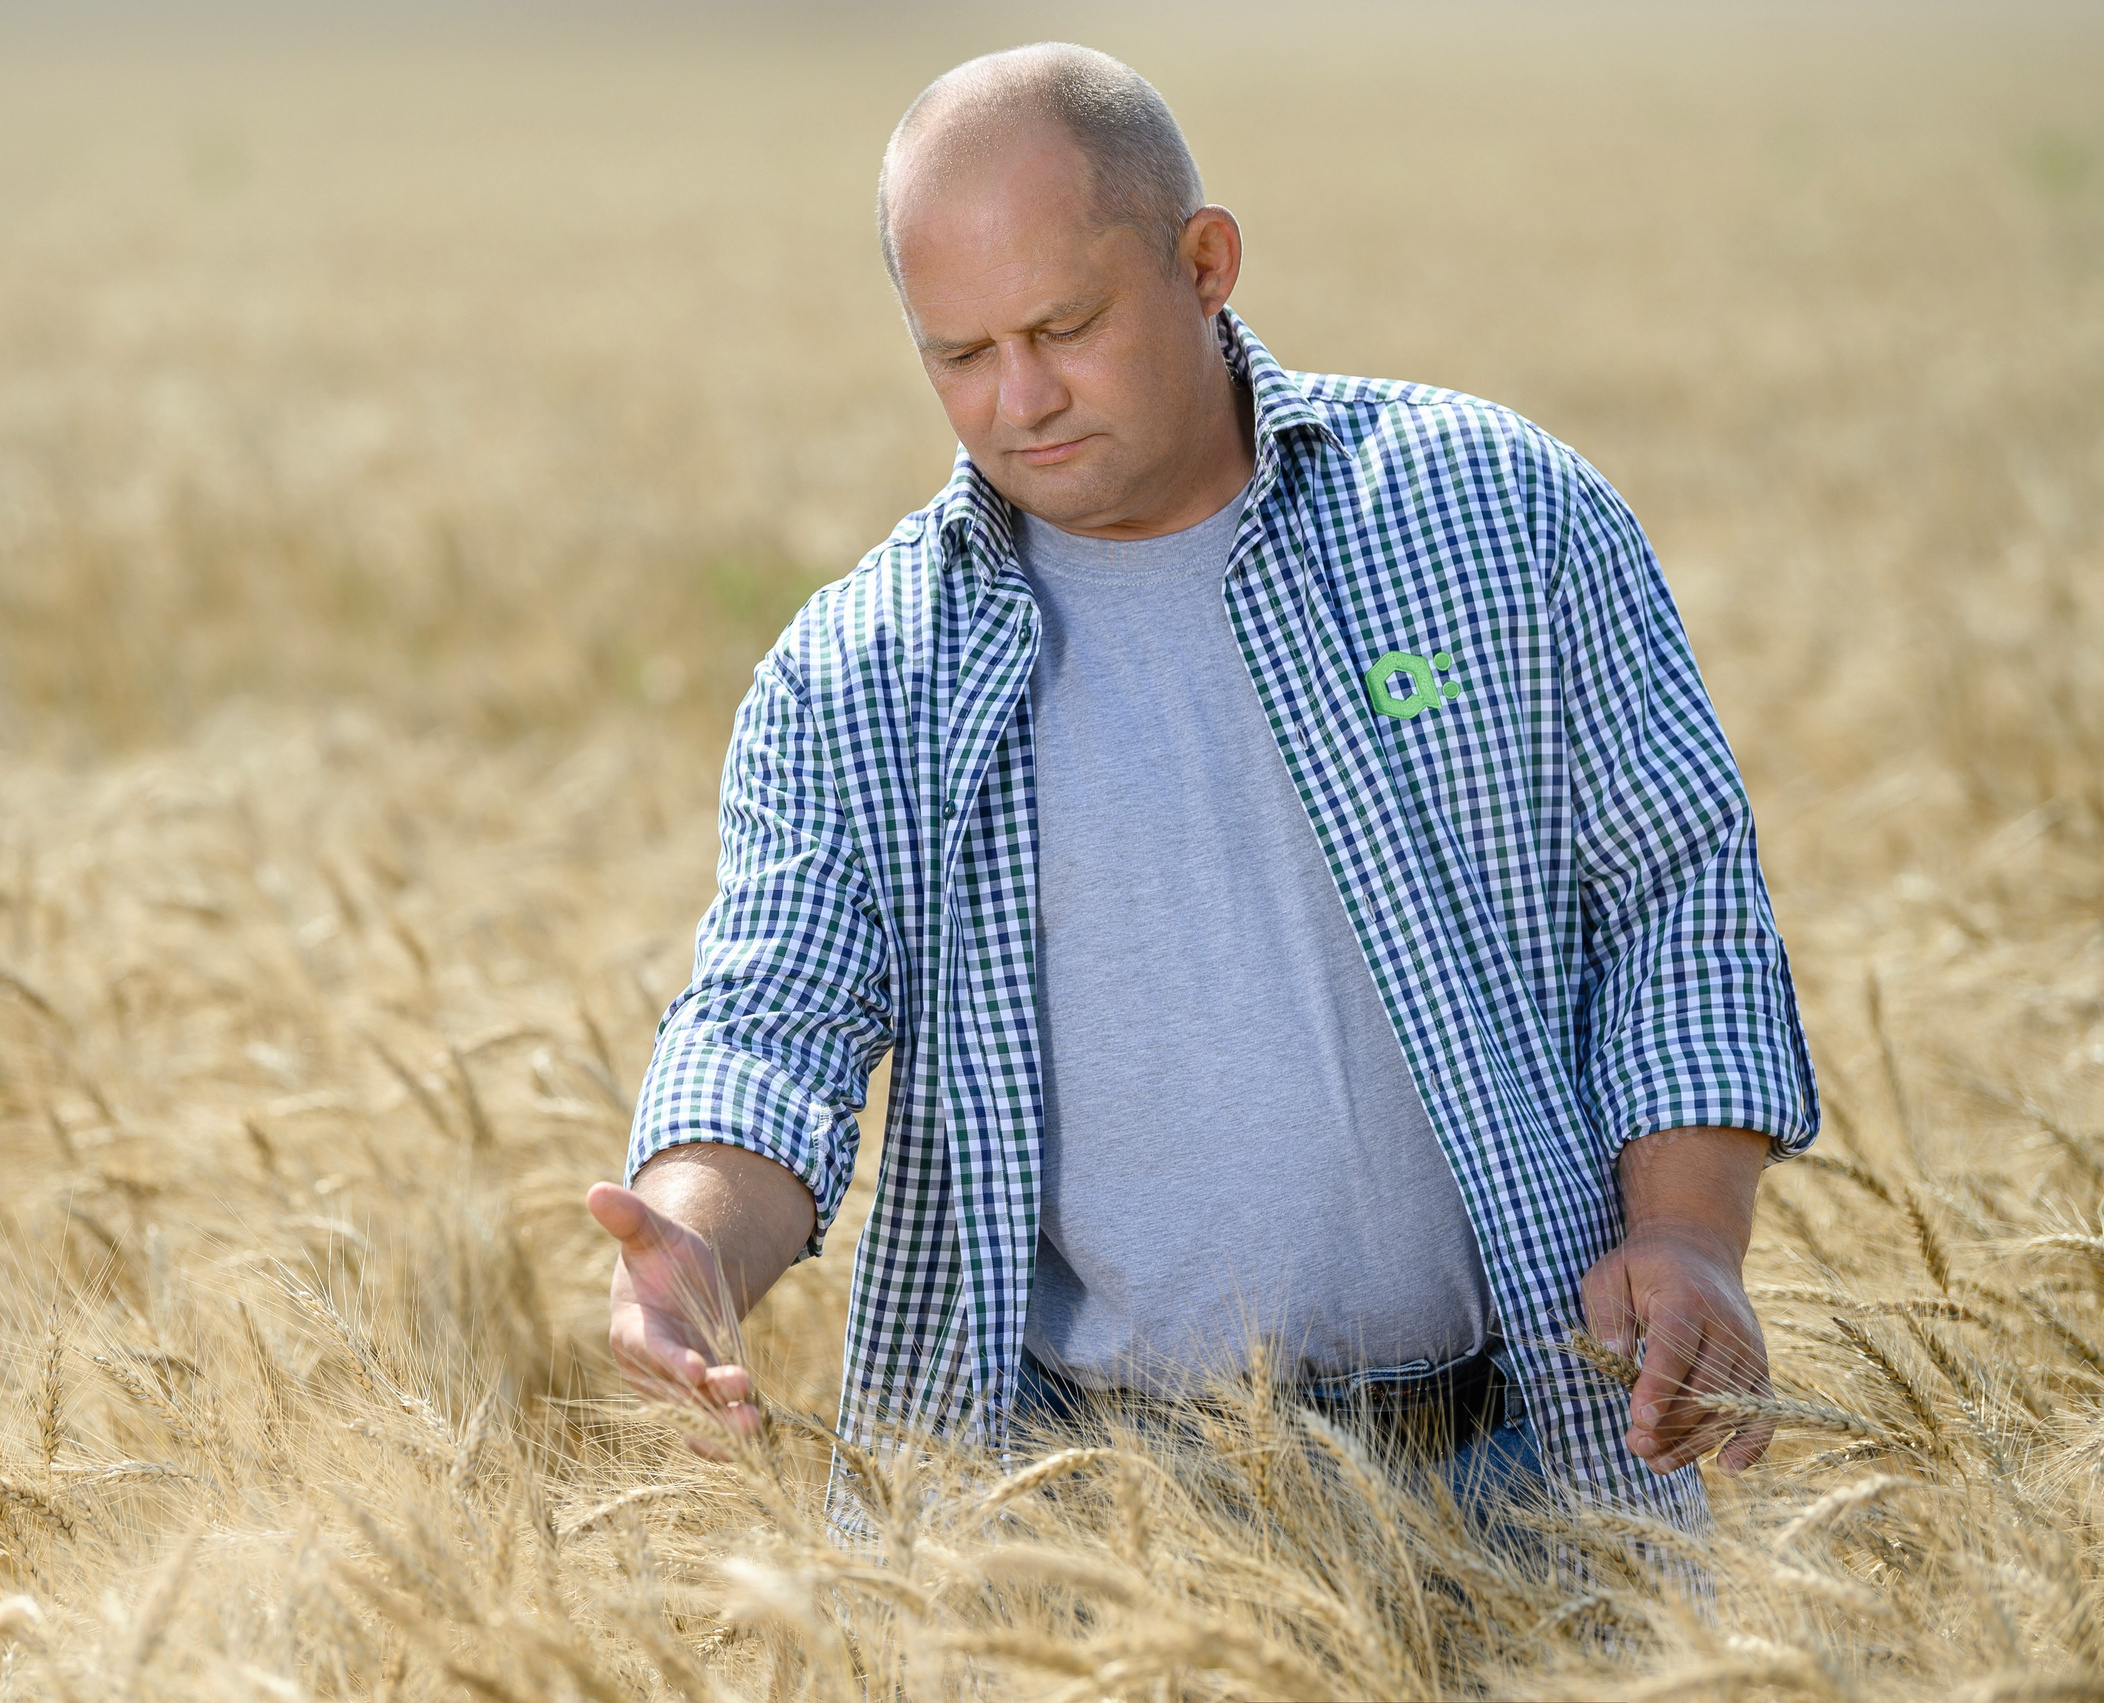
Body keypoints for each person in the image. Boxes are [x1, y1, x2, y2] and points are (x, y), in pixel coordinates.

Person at [586, 42, 1816, 1529]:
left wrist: (1687, 1234)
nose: (1020, 398)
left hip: (1527, 1461)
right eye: (960, 356)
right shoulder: (858, 673)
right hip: (1094, 1520)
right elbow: (773, 1014)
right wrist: (698, 1250)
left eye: (1066, 325)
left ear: (1205, 262)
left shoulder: (1500, 518)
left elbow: (1675, 893)